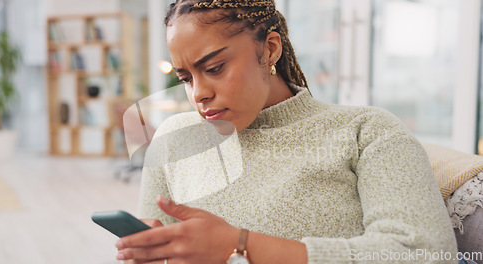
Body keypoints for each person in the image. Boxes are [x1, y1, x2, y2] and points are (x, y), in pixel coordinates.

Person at [114, 0, 460, 263]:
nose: (198, 93)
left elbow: (424, 252)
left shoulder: (366, 131)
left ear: (270, 49)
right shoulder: (175, 138)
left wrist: (241, 244)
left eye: (215, 68)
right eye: (185, 79)